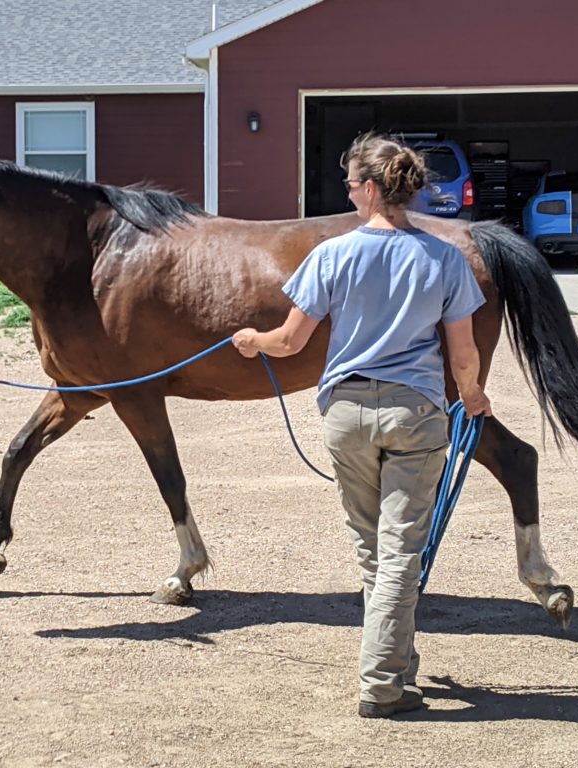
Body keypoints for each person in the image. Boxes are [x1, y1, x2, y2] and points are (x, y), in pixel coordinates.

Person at [232, 132, 492, 718]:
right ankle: (383, 681)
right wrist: (472, 397)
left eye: (351, 184)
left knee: (375, 551)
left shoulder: (332, 254)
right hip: (415, 412)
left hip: (346, 415)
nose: (348, 193)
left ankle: (396, 668)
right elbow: (463, 354)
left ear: (372, 189)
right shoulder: (444, 259)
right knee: (401, 551)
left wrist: (253, 342)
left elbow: (290, 340)